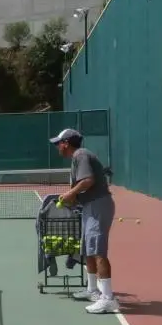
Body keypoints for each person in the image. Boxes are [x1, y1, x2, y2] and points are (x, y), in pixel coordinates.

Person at [49, 128, 119, 314]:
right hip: (90, 206)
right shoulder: (78, 158)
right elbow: (84, 186)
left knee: (97, 250)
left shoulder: (80, 154)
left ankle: (108, 299)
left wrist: (70, 194)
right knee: (88, 249)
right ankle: (92, 290)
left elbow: (88, 180)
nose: (57, 147)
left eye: (58, 143)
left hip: (98, 205)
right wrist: (71, 198)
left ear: (66, 143)